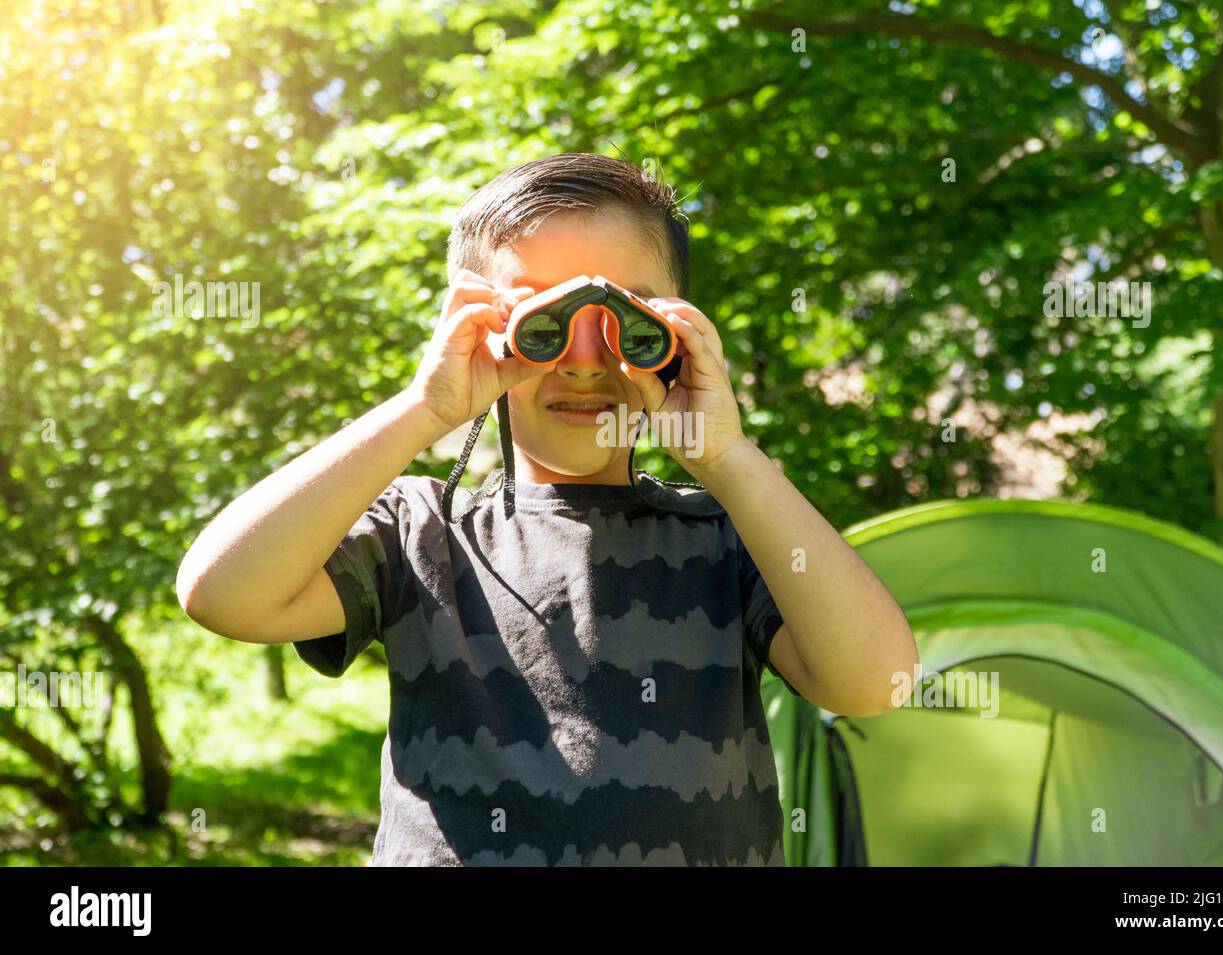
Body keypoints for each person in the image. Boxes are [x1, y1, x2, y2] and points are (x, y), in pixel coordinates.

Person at [175, 151, 916, 866]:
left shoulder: (726, 536)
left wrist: (726, 457)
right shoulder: (421, 533)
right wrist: (422, 408)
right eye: (541, 315)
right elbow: (224, 595)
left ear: (675, 330)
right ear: (471, 324)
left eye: (626, 315)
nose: (584, 358)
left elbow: (876, 683)